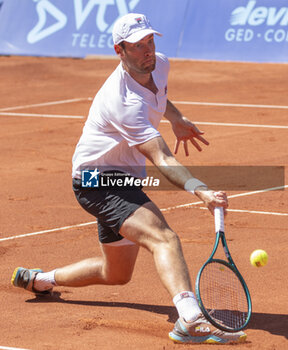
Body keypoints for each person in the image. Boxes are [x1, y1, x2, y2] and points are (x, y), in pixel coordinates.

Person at [11, 13, 246, 344]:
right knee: (163, 238)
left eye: (150, 41)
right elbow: (162, 157)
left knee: (116, 274)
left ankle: (40, 279)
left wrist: (176, 117)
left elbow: (158, 93)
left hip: (122, 176)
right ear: (119, 50)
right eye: (138, 46)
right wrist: (201, 190)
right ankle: (189, 318)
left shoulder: (159, 63)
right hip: (97, 179)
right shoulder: (121, 102)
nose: (148, 51)